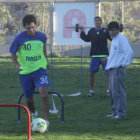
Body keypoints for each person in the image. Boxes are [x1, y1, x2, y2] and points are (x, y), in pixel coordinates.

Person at [9, 14, 50, 130]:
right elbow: (12, 52)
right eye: (28, 28)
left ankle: (47, 121)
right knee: (28, 99)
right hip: (25, 72)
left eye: (33, 27)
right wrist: (16, 64)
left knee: (44, 95)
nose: (31, 30)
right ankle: (34, 113)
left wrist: (46, 61)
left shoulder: (42, 36)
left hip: (40, 70)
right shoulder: (19, 38)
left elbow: (43, 48)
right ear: (24, 27)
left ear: (36, 25)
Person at [105, 21, 133, 119]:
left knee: (119, 91)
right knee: (113, 91)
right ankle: (114, 112)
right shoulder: (114, 40)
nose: (110, 32)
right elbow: (115, 55)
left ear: (117, 30)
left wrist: (123, 64)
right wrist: (107, 60)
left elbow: (129, 52)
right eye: (109, 30)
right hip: (112, 69)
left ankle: (121, 113)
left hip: (118, 69)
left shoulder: (122, 39)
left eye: (112, 30)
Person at [80, 16, 112, 97]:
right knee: (91, 73)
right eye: (96, 21)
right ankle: (91, 91)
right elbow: (86, 39)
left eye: (98, 20)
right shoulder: (91, 31)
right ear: (94, 22)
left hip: (104, 55)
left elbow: (112, 38)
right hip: (94, 56)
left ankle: (108, 90)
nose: (97, 22)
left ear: (101, 22)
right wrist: (81, 31)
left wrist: (114, 30)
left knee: (108, 73)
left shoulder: (105, 30)